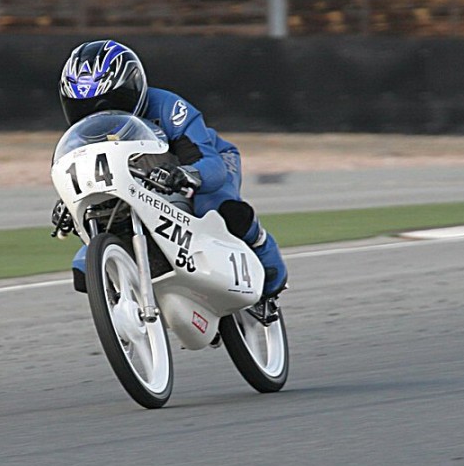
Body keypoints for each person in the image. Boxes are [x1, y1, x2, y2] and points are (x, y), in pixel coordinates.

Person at [51, 39, 287, 299]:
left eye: (111, 102)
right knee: (83, 270)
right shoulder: (81, 136)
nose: (99, 117)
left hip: (206, 163)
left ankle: (264, 248)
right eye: (81, 108)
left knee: (222, 209)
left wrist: (186, 174)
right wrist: (68, 205)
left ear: (133, 87)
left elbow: (211, 166)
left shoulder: (168, 107)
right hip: (142, 184)